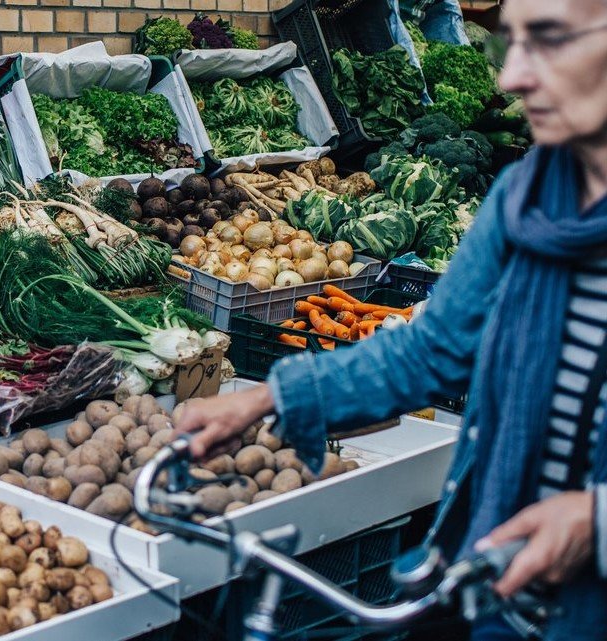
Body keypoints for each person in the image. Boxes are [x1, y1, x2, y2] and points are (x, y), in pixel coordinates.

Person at [174, 1, 607, 639]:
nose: (512, 75)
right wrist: (271, 397)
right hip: (494, 587)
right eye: (509, 44)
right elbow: (432, 351)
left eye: (548, 40)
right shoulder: (527, 201)